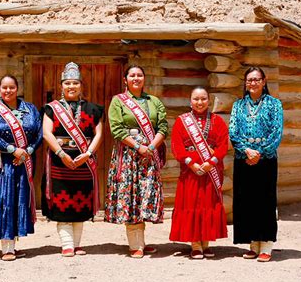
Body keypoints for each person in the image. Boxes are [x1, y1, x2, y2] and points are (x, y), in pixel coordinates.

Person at [42, 62, 104, 257]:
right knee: (62, 203)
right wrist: (61, 154)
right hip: (60, 163)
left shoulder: (94, 109)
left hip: (83, 162)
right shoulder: (51, 108)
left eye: (75, 83)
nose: (71, 87)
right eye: (67, 83)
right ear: (61, 86)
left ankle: (76, 244)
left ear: (81, 85)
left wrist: (87, 154)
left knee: (81, 202)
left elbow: (99, 134)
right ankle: (67, 244)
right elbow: (46, 133)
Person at [105, 65, 168, 258]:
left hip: (149, 156)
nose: (136, 78)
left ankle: (141, 240)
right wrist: (138, 147)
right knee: (130, 195)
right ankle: (135, 244)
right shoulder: (118, 101)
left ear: (144, 78)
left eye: (139, 75)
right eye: (132, 75)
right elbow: (116, 129)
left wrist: (151, 146)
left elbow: (163, 126)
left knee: (144, 195)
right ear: (125, 79)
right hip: (128, 156)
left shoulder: (154, 101)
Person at [0, 75, 43, 261]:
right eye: (4, 88)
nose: (8, 91)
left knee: (19, 198)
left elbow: (38, 133)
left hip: (24, 160)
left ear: (18, 88)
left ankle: (14, 244)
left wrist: (27, 150)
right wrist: (12, 149)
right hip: (3, 162)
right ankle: (6, 247)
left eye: (11, 87)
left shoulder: (30, 109)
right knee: (4, 199)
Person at [229, 67, 283, 262]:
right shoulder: (238, 105)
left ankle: (266, 244)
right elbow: (233, 132)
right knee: (247, 200)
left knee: (265, 201)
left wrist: (260, 152)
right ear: (245, 82)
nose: (253, 83)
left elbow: (276, 132)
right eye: (249, 80)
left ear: (264, 81)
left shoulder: (274, 104)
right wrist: (246, 151)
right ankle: (253, 243)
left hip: (266, 159)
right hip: (243, 159)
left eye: (256, 79)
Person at [169, 87, 228, 259]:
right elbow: (177, 146)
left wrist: (211, 163)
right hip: (190, 171)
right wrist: (191, 163)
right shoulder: (182, 121)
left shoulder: (217, 121)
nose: (200, 102)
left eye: (203, 99)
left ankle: (206, 242)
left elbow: (223, 145)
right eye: (196, 99)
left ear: (208, 100)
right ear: (190, 101)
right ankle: (195, 244)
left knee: (208, 204)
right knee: (192, 205)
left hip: (211, 171)